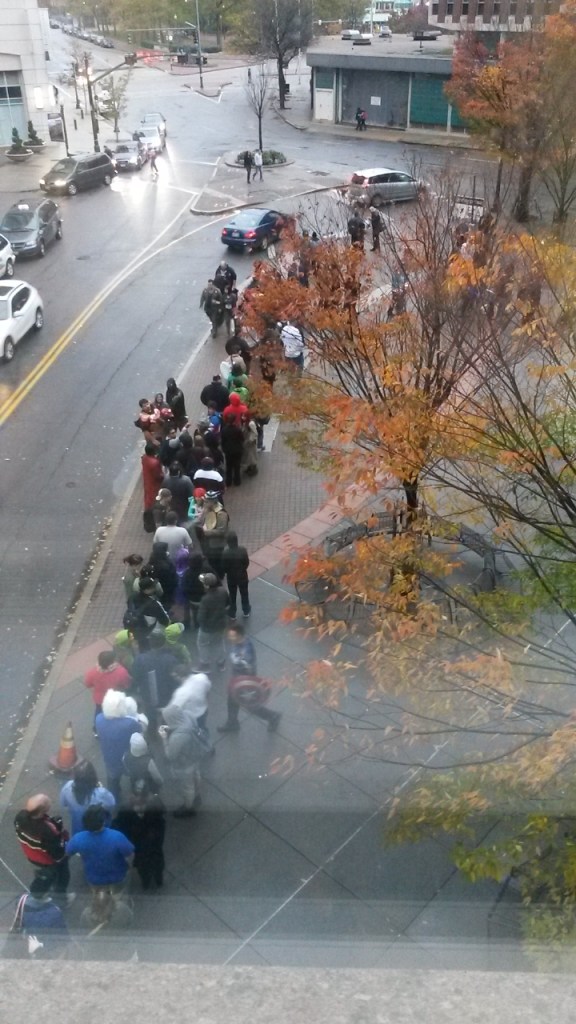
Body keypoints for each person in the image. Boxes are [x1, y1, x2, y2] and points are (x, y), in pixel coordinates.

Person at [218, 624, 281, 733]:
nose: (230, 638)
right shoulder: (237, 643)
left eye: (232, 636)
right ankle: (232, 722)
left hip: (244, 682)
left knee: (250, 705)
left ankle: (273, 716)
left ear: (239, 635)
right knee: (232, 700)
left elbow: (248, 667)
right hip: (237, 680)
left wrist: (243, 683)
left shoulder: (246, 650)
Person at [14, 795, 72, 901]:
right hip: (47, 860)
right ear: (42, 811)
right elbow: (58, 854)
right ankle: (61, 899)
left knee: (45, 873)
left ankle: (42, 880)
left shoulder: (19, 818)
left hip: (32, 855)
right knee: (62, 876)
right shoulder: (48, 832)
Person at [66, 804, 134, 889]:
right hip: (118, 877)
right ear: (103, 821)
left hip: (93, 879)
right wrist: (129, 867)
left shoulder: (78, 838)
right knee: (120, 894)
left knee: (97, 895)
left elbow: (68, 853)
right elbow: (129, 855)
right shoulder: (117, 836)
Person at [111, 787, 166, 891]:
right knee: (145, 867)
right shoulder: (126, 811)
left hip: (149, 845)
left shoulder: (153, 809)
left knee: (154, 865)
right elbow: (119, 824)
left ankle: (156, 879)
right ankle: (149, 881)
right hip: (142, 845)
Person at [159, 704, 205, 817]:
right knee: (196, 776)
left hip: (185, 765)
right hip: (195, 755)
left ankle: (188, 808)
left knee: (187, 787)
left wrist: (164, 738)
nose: (164, 721)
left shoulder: (178, 737)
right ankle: (197, 796)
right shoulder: (189, 717)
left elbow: (170, 755)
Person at [95, 689, 142, 799]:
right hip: (127, 758)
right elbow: (139, 732)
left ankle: (114, 797)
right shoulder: (130, 724)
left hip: (110, 757)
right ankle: (136, 792)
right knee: (134, 775)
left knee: (112, 779)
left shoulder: (99, 719)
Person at [60, 760, 116, 836]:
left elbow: (64, 804)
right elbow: (111, 804)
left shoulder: (67, 787)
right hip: (99, 827)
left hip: (78, 827)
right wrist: (100, 787)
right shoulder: (101, 793)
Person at [131, 631, 181, 713]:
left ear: (150, 643)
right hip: (167, 699)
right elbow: (177, 680)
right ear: (164, 643)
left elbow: (136, 678)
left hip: (148, 700)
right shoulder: (171, 660)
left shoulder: (140, 659)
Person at [84, 649, 131, 726]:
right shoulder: (121, 672)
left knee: (99, 713)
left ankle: (97, 728)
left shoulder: (92, 673)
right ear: (112, 662)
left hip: (100, 700)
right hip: (117, 698)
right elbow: (127, 684)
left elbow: (88, 684)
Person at [125, 577, 170, 651]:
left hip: (136, 629)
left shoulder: (132, 597)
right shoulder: (154, 604)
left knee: (142, 646)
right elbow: (165, 621)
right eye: (152, 587)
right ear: (147, 590)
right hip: (150, 632)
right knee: (152, 648)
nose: (154, 588)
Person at [197, 572, 229, 671]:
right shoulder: (223, 591)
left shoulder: (205, 599)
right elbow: (228, 604)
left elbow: (201, 617)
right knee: (219, 643)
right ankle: (221, 663)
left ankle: (205, 663)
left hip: (207, 628)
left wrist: (202, 624)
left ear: (207, 586)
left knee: (202, 643)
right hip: (221, 625)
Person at [197, 491, 230, 578]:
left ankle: (219, 576)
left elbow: (221, 531)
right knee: (210, 560)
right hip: (207, 542)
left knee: (217, 562)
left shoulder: (221, 514)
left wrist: (205, 532)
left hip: (216, 544)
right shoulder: (207, 508)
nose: (205, 503)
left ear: (213, 501)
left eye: (207, 501)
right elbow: (203, 520)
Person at [221, 531, 251, 619]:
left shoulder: (225, 553)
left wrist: (228, 572)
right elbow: (246, 563)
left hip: (231, 577)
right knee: (244, 593)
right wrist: (243, 569)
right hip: (242, 576)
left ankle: (232, 613)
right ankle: (246, 610)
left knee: (232, 595)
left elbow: (224, 567)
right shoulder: (243, 550)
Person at [143, 541, 178, 605]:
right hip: (166, 587)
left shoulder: (152, 558)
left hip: (156, 585)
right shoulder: (166, 565)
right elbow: (171, 577)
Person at [183, 551, 211, 627]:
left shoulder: (187, 573)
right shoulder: (207, 570)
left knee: (195, 614)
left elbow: (184, 587)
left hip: (193, 600)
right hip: (206, 597)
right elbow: (215, 581)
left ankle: (197, 625)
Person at [141, 443, 164, 533]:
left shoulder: (144, 458)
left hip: (147, 481)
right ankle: (152, 521)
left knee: (148, 499)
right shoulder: (154, 463)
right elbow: (158, 476)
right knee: (154, 501)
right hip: (154, 485)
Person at [221, 412, 244, 487]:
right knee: (237, 466)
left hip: (228, 451)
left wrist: (224, 448)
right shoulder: (237, 430)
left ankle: (228, 481)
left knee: (229, 466)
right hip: (237, 450)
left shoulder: (224, 430)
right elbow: (242, 439)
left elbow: (222, 440)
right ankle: (237, 481)